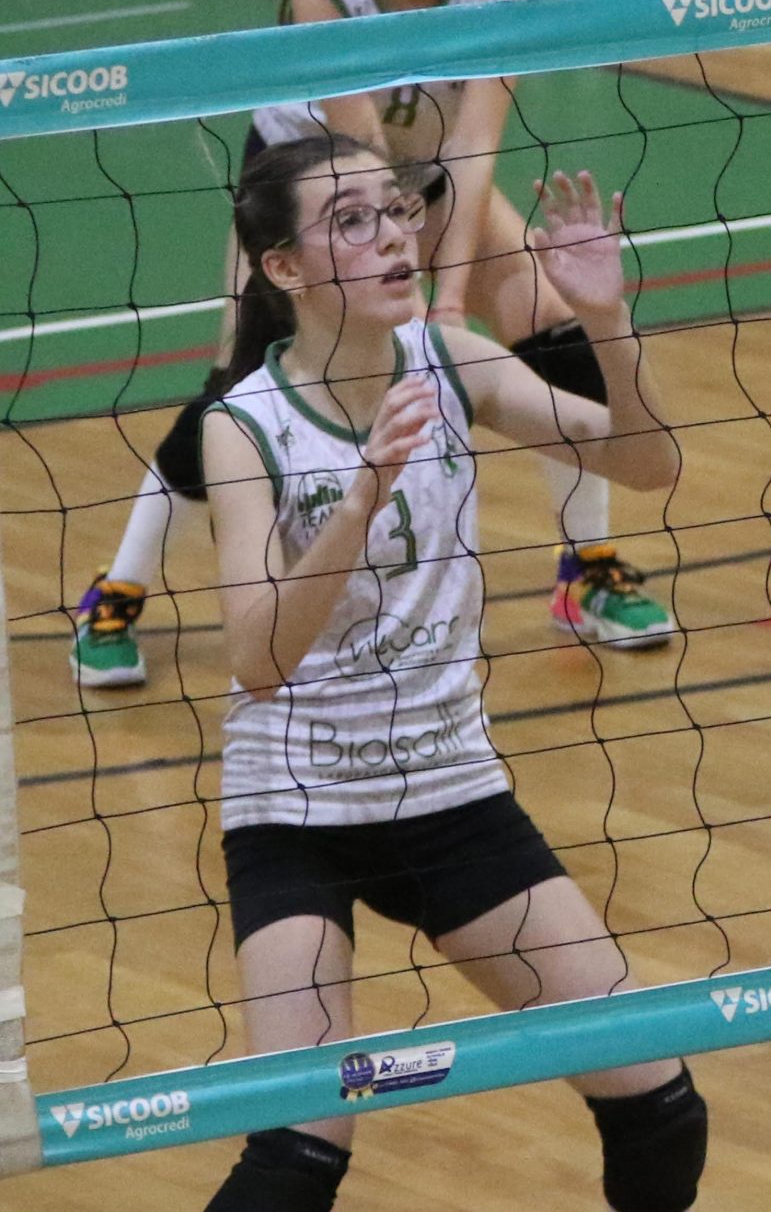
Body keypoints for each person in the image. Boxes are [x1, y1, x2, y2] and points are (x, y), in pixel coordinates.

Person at [194, 135, 706, 1212]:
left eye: (396, 209)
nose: (393, 235)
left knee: (658, 1102)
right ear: (283, 268)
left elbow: (648, 460)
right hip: (297, 802)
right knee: (296, 1155)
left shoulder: (452, 355)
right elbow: (260, 657)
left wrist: (606, 321)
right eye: (351, 220)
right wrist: (367, 486)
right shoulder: (245, 429)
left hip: (449, 792)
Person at [70, 0, 671, 690]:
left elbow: (471, 150)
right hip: (307, 190)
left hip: (428, 178)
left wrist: (452, 299)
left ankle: (588, 568)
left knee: (551, 326)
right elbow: (357, 161)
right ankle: (116, 591)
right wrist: (405, 266)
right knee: (236, 386)